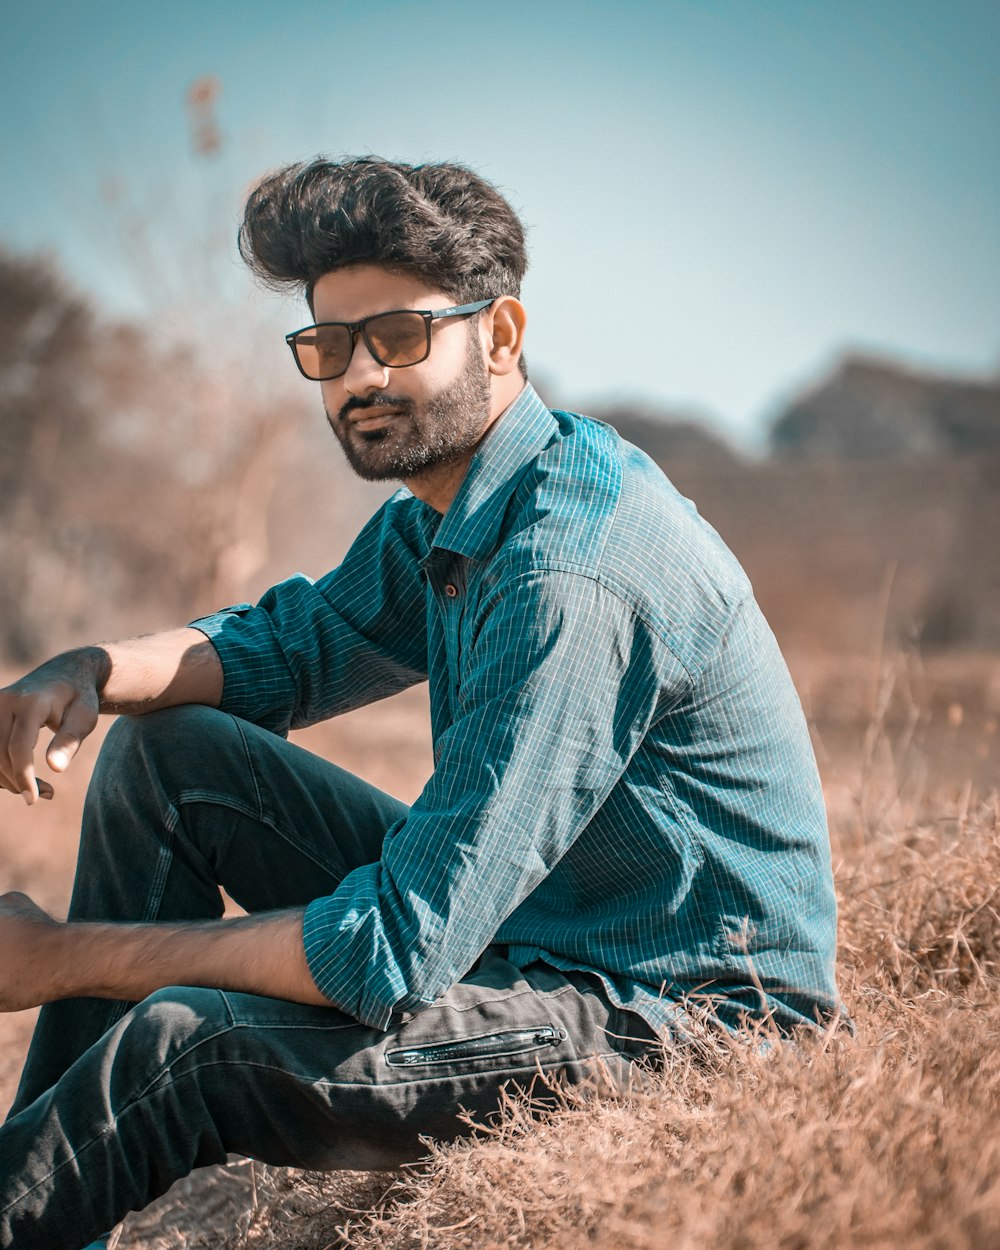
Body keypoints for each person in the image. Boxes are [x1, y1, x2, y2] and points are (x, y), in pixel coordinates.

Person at [0, 157, 842, 1250]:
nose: (358, 378)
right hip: (539, 938)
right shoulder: (459, 505)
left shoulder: (569, 570)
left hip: (679, 1016)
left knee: (186, 1042)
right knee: (168, 756)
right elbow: (294, 642)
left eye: (397, 336)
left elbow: (390, 949)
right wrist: (91, 669)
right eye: (329, 347)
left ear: (499, 336)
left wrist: (66, 956)